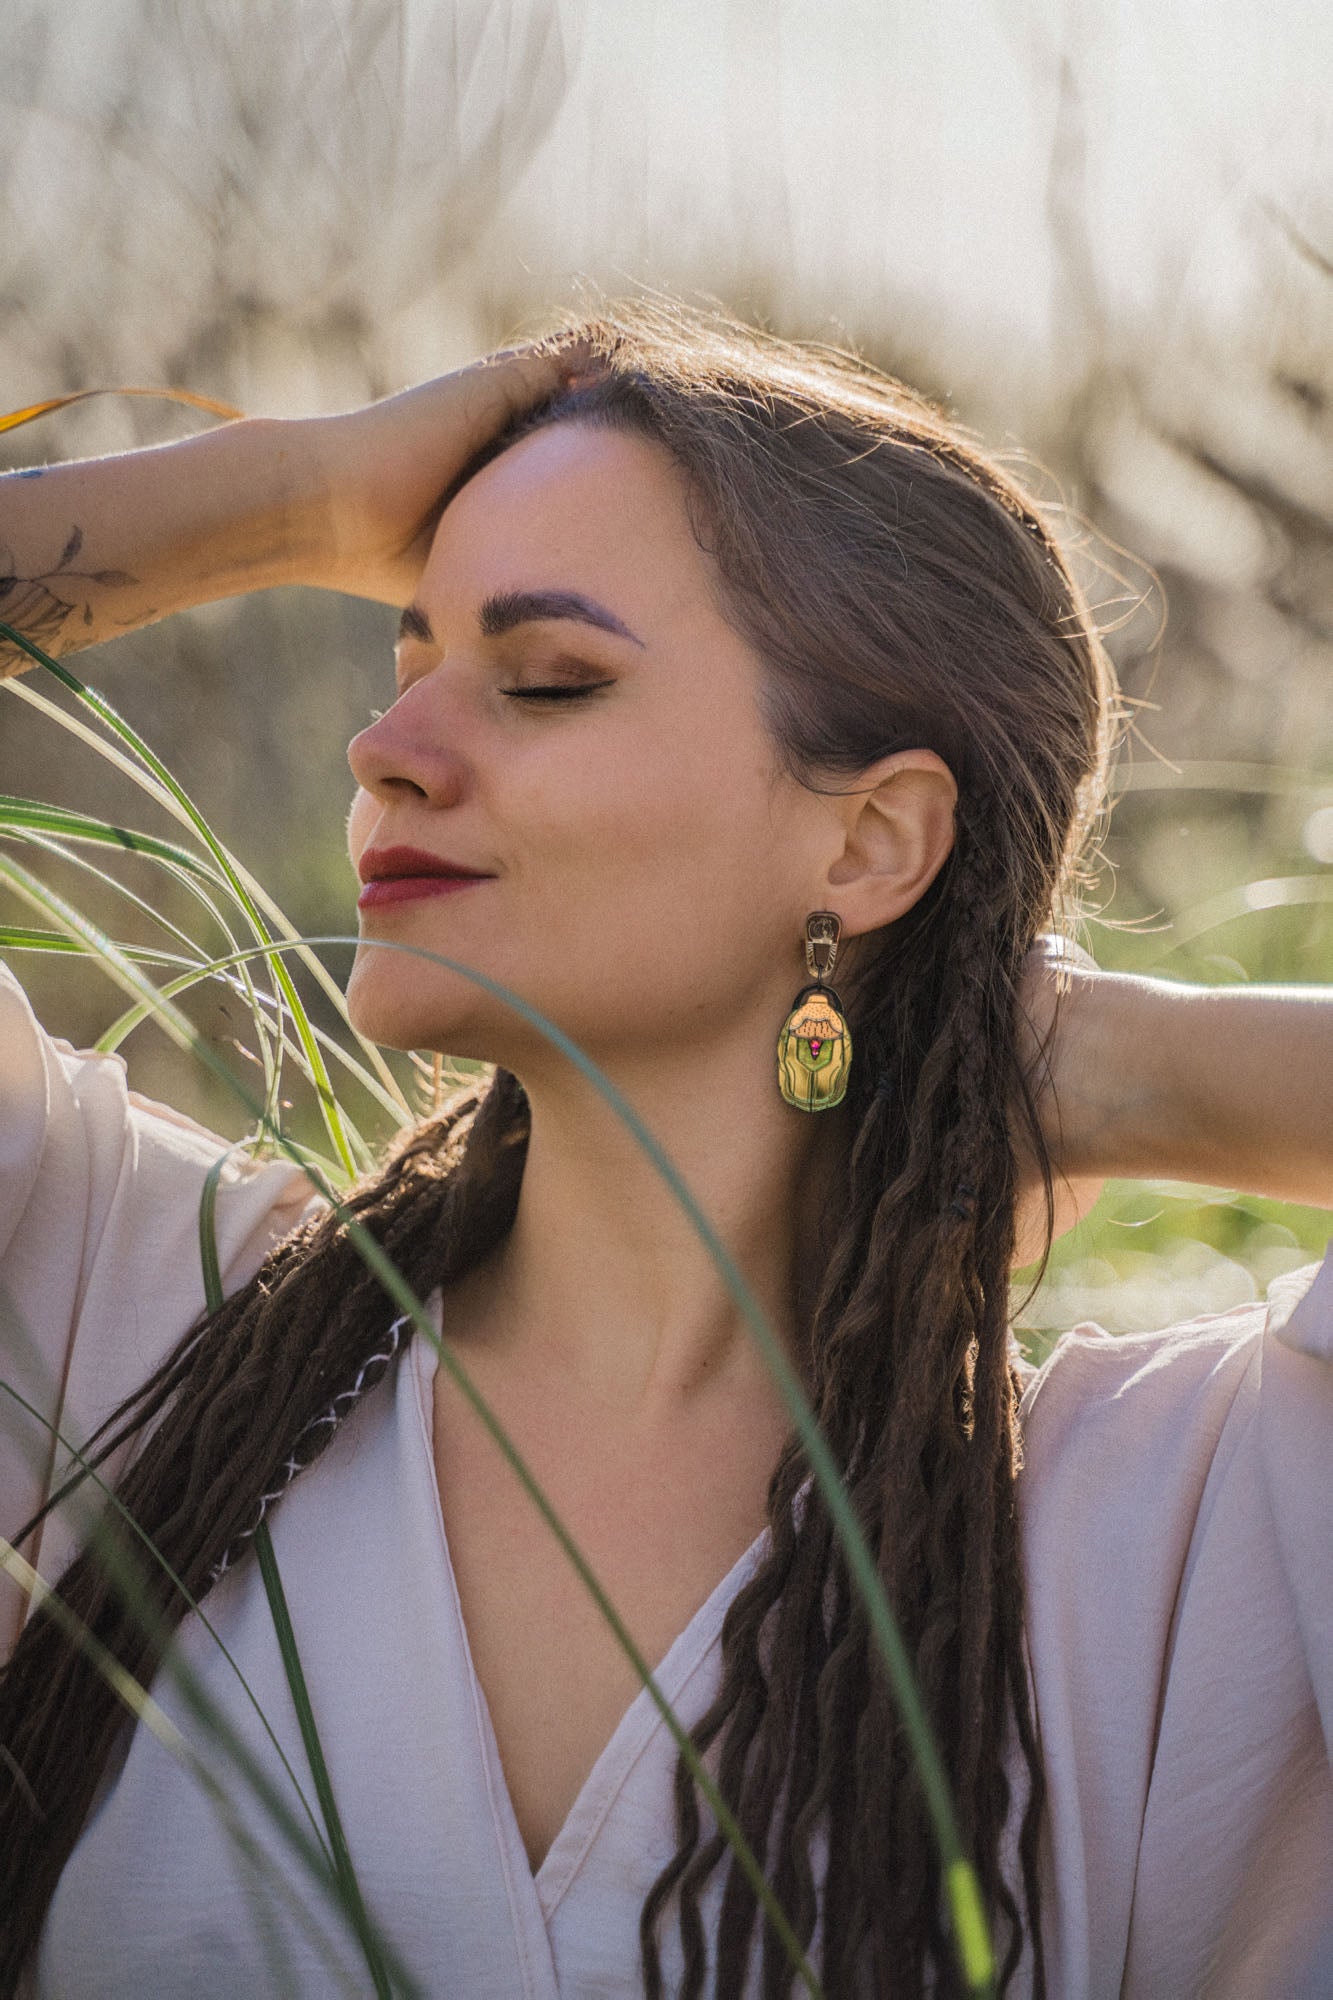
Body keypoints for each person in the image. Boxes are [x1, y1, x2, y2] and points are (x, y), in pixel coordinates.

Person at [0, 304, 1329, 1999]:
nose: (384, 753)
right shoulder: (123, 1311)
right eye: (405, 668)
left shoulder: (1169, 1535)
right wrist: (297, 497)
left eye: (547, 680)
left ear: (870, 837)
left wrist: (1114, 1062)